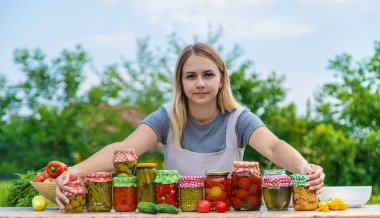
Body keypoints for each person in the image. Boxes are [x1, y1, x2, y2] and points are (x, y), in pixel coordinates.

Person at [55, 43, 324, 209]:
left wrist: (303, 168)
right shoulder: (166, 117)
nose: (200, 83)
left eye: (208, 75)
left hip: (223, 213)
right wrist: (75, 172)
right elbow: (125, 150)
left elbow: (274, 147)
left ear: (221, 79)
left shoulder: (238, 119)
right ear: (181, 82)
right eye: (191, 76)